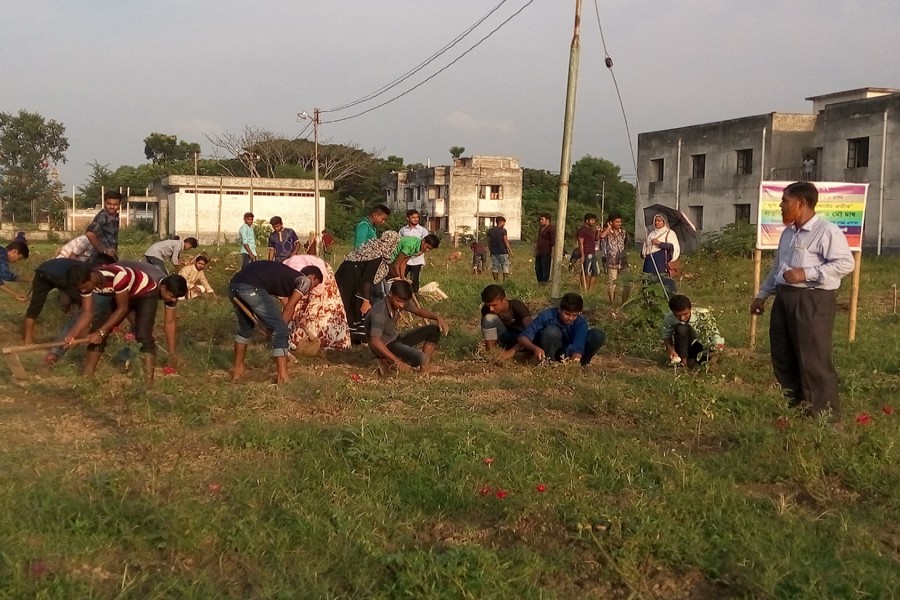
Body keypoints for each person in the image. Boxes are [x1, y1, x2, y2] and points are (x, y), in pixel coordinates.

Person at [750, 181, 855, 420]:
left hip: (812, 300)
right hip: (785, 298)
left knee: (813, 359)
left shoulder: (826, 231)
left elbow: (846, 263)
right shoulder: (788, 232)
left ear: (801, 203)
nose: (781, 205)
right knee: (783, 355)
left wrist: (806, 273)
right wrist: (762, 295)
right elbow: (778, 267)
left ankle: (825, 418)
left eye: (785, 201)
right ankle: (799, 409)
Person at [65, 262, 188, 384]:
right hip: (125, 292)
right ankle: (87, 377)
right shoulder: (85, 282)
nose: (84, 290)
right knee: (98, 330)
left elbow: (123, 309)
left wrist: (172, 353)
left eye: (85, 287)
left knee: (143, 335)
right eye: (81, 288)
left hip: (146, 291)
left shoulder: (119, 277)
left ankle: (148, 384)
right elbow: (87, 312)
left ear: (91, 277)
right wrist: (72, 334)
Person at [229, 261, 323, 383]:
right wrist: (280, 333)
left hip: (233, 287)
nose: (310, 290)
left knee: (246, 328)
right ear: (312, 277)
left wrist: (279, 326)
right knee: (280, 329)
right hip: (251, 287)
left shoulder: (285, 279)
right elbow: (290, 307)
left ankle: (238, 371)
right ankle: (283, 377)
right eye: (314, 285)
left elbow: (287, 307)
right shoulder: (304, 281)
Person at [365, 279, 449, 375]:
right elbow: (375, 341)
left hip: (395, 339)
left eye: (404, 302)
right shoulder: (380, 312)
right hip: (385, 345)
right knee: (421, 358)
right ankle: (385, 360)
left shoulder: (400, 302)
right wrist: (397, 362)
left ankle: (424, 368)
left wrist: (437, 317)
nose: (402, 305)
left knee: (433, 330)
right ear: (390, 294)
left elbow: (418, 311)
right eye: (399, 301)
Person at [334, 231, 402, 342]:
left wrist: (398, 279)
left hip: (348, 274)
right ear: (391, 243)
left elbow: (388, 266)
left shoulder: (376, 248)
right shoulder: (376, 255)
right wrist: (366, 300)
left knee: (349, 304)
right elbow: (367, 279)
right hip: (350, 278)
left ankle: (349, 334)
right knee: (351, 305)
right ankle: (349, 335)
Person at [517, 292, 606, 367]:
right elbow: (523, 337)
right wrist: (535, 348)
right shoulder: (547, 315)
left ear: (580, 313)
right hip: (552, 350)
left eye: (574, 315)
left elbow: (579, 346)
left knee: (597, 335)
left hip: (569, 352)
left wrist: (574, 362)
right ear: (559, 310)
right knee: (551, 331)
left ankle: (583, 364)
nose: (570, 318)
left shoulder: (581, 323)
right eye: (567, 314)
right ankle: (549, 362)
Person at [283, 254, 350, 351]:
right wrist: (295, 314)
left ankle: (328, 341)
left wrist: (307, 316)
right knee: (294, 308)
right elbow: (285, 299)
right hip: (298, 275)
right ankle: (292, 339)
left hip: (321, 272)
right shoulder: (289, 276)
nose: (310, 289)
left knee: (326, 309)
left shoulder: (319, 279)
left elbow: (315, 299)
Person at [22, 258, 92, 345]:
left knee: (35, 306)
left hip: (42, 270)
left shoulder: (81, 266)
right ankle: (81, 339)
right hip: (60, 275)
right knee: (85, 306)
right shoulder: (88, 271)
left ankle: (28, 341)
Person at [661, 294, 725, 368]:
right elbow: (667, 336)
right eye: (678, 315)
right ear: (672, 312)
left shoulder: (703, 315)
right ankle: (683, 363)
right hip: (684, 347)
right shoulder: (669, 318)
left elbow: (715, 334)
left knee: (703, 364)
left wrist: (715, 354)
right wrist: (671, 351)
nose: (682, 318)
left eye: (685, 314)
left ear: (690, 308)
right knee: (681, 328)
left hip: (703, 347)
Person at [480, 284, 532, 361]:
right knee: (488, 318)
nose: (491, 309)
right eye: (489, 306)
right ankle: (491, 354)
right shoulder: (486, 310)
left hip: (523, 339)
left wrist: (512, 351)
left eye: (494, 305)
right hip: (505, 338)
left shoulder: (517, 306)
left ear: (504, 300)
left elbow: (531, 330)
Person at [599, 212, 631, 307]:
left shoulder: (623, 232)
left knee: (628, 282)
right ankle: (612, 303)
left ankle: (623, 303)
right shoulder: (608, 232)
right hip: (612, 261)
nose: (619, 224)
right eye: (617, 222)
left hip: (623, 260)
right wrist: (608, 228)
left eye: (620, 222)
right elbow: (601, 236)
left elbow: (625, 243)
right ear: (611, 222)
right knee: (612, 283)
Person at [641, 213, 680, 292]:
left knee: (662, 281)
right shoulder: (651, 234)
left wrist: (659, 243)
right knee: (649, 281)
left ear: (664, 222)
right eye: (655, 221)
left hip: (661, 262)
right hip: (649, 261)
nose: (657, 223)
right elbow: (645, 248)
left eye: (659, 221)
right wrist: (646, 249)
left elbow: (672, 247)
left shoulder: (669, 233)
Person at [85, 190, 121, 263]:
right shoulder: (103, 216)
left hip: (111, 257)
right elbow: (89, 233)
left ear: (119, 204)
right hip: (100, 258)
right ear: (104, 203)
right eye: (109, 204)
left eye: (115, 204)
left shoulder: (116, 216)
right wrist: (103, 250)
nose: (112, 207)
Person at [399, 209, 430, 292]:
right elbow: (399, 243)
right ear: (408, 218)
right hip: (404, 259)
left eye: (417, 217)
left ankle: (415, 297)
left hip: (416, 260)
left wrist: (420, 253)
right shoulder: (403, 230)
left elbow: (427, 245)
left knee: (414, 280)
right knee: (400, 278)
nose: (416, 219)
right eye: (413, 217)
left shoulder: (423, 231)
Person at [576, 214, 599, 290]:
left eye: (594, 220)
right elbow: (580, 243)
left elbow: (596, 239)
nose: (594, 222)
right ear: (587, 221)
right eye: (592, 220)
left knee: (595, 272)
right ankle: (584, 289)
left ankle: (590, 289)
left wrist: (598, 231)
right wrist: (582, 255)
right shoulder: (582, 230)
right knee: (585, 272)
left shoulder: (591, 230)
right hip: (586, 253)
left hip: (592, 253)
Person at [487, 216, 512, 282]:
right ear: (501, 222)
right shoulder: (503, 230)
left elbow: (489, 242)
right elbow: (505, 241)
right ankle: (505, 281)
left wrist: (490, 250)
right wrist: (510, 250)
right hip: (503, 251)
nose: (504, 224)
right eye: (504, 222)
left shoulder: (490, 231)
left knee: (495, 267)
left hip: (494, 252)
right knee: (505, 266)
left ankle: (496, 281)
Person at [534, 213, 555, 285]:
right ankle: (540, 282)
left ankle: (545, 282)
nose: (540, 221)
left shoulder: (551, 229)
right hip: (540, 251)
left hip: (546, 252)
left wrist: (552, 252)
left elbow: (553, 242)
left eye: (542, 219)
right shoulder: (541, 229)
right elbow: (538, 240)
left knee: (545, 268)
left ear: (547, 220)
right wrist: (535, 250)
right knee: (537, 268)